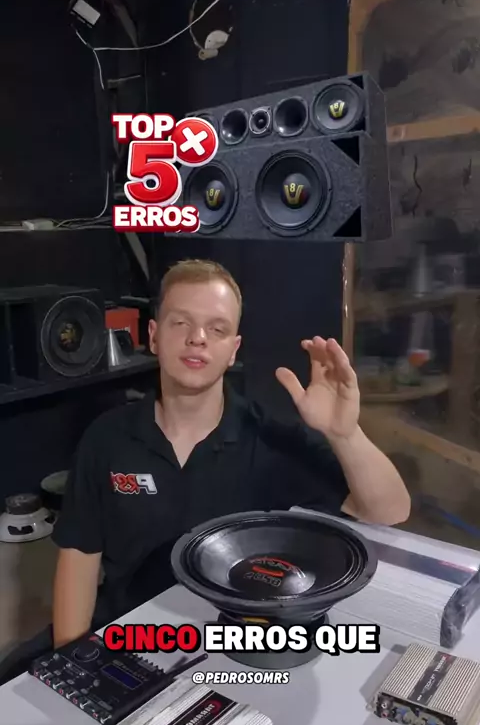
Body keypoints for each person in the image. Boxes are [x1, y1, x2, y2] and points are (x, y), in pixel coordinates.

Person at [51, 259, 410, 649]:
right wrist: (70, 657)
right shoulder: (106, 438)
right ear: (153, 336)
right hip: (130, 632)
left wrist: (345, 433)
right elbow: (79, 557)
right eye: (181, 323)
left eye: (217, 329)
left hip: (232, 641)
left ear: (233, 350)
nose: (197, 338)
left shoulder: (269, 439)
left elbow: (389, 510)